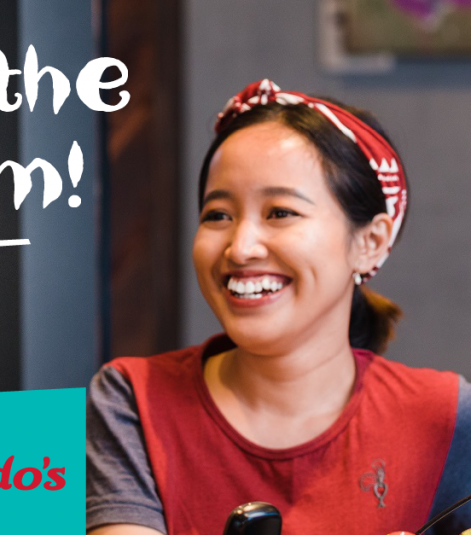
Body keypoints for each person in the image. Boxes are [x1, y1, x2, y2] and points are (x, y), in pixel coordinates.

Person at [86, 80, 471, 535]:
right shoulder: (133, 399)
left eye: (280, 212)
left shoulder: (446, 415)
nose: (241, 246)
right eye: (218, 216)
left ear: (370, 242)